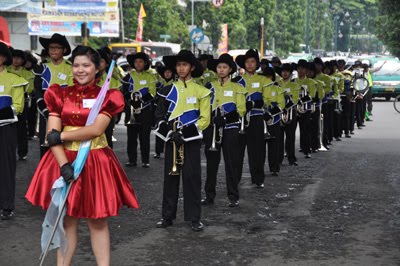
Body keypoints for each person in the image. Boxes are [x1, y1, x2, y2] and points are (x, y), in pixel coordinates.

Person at [25, 46, 139, 265]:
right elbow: (52, 135)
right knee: (67, 221)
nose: (80, 70)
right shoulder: (59, 93)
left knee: (97, 221)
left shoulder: (108, 95)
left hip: (95, 161)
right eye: (76, 65)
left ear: (97, 68)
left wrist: (63, 136)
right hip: (63, 160)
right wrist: (63, 165)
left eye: (86, 65)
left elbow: (96, 129)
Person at [154, 50, 210, 232]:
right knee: (170, 177)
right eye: (178, 65)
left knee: (192, 178)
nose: (181, 68)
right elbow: (160, 116)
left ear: (192, 67)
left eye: (184, 65)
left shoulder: (202, 91)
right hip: (172, 140)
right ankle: (167, 216)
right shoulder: (166, 91)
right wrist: (171, 132)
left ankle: (194, 218)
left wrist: (184, 133)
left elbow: (205, 119)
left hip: (191, 141)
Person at [201, 53, 246, 207]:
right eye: (219, 67)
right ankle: (209, 196)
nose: (221, 70)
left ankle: (233, 196)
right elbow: (204, 106)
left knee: (231, 163)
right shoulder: (209, 86)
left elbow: (241, 110)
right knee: (211, 164)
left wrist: (226, 118)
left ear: (230, 69)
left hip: (230, 129)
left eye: (224, 67)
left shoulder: (237, 87)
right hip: (212, 128)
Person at [34, 33, 74, 157]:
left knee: (63, 145)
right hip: (45, 112)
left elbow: (72, 91)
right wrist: (44, 109)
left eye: (57, 47)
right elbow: (37, 90)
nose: (53, 50)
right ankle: (45, 174)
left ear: (65, 50)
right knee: (45, 145)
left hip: (65, 113)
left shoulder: (71, 68)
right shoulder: (42, 68)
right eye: (51, 48)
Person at [0, 42, 28, 220]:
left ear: (4, 58)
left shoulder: (14, 79)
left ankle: (7, 205)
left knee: (6, 167)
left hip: (5, 128)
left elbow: (18, 106)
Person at [235, 49, 269, 187]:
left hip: (256, 118)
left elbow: (267, 99)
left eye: (252, 62)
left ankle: (258, 179)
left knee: (257, 151)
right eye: (247, 62)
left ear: (257, 64)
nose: (249, 64)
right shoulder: (237, 81)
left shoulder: (263, 80)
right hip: (240, 119)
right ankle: (235, 179)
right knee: (237, 152)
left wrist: (255, 102)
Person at [121, 52, 156, 168]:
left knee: (144, 137)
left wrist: (141, 101)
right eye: (136, 62)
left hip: (145, 110)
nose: (138, 64)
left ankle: (145, 160)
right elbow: (124, 92)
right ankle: (132, 160)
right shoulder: (128, 76)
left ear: (145, 63)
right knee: (131, 138)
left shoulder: (150, 76)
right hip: (131, 110)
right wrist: (132, 101)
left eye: (141, 61)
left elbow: (152, 93)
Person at [7, 49, 34, 160]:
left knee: (21, 128)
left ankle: (22, 152)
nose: (16, 60)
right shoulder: (5, 70)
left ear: (23, 60)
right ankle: (7, 150)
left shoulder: (28, 74)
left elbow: (30, 88)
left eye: (19, 58)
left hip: (22, 103)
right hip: (6, 102)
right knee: (7, 127)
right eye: (14, 58)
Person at [97, 47, 121, 148]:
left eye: (101, 61)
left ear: (107, 64)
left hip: (106, 114)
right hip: (89, 114)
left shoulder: (113, 80)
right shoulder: (87, 78)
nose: (98, 64)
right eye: (96, 61)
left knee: (106, 140)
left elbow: (116, 100)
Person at [277, 63, 301, 166]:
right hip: (278, 112)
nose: (285, 73)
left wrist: (286, 106)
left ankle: (292, 158)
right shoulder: (277, 84)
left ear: (290, 73)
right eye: (283, 71)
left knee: (290, 136)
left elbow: (295, 99)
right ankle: (278, 159)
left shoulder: (295, 85)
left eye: (287, 71)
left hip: (291, 112)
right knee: (279, 137)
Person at [295, 60, 318, 158]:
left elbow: (312, 95)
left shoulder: (311, 82)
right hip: (294, 109)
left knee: (306, 130)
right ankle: (289, 151)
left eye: (303, 69)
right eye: (299, 69)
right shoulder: (293, 81)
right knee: (291, 132)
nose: (301, 71)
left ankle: (307, 150)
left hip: (306, 109)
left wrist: (300, 99)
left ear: (306, 70)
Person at [153, 64, 175, 158]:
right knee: (160, 130)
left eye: (169, 72)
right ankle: (158, 151)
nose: (167, 74)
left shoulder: (175, 84)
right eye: (165, 72)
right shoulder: (159, 84)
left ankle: (170, 151)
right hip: (159, 109)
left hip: (170, 109)